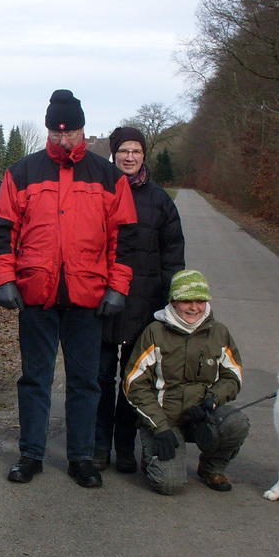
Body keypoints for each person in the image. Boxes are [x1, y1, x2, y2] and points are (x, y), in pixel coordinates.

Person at [0, 89, 137, 487]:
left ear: (82, 129)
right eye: (57, 133)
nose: (64, 139)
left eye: (70, 132)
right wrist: (5, 279)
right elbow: (2, 230)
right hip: (36, 293)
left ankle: (82, 457)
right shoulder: (22, 172)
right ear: (47, 131)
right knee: (34, 379)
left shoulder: (108, 177)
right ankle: (30, 454)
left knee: (85, 382)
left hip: (88, 296)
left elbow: (123, 238)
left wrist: (118, 287)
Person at [93, 127, 185, 474]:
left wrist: (170, 302)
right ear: (114, 154)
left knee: (134, 381)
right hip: (102, 303)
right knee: (100, 380)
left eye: (136, 151)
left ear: (144, 155)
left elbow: (173, 256)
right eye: (123, 151)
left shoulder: (159, 200)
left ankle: (125, 446)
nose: (129, 157)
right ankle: (99, 445)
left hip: (144, 307)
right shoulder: (99, 191)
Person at [123, 269, 249, 494]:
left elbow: (233, 375)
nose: (194, 307)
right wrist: (159, 427)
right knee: (169, 484)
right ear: (173, 301)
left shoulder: (219, 332)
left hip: (201, 416)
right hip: (164, 419)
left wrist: (212, 400)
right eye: (186, 301)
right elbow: (134, 384)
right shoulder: (154, 332)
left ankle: (212, 468)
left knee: (236, 422)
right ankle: (151, 455)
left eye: (200, 301)